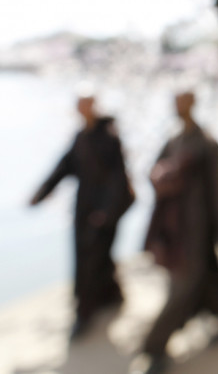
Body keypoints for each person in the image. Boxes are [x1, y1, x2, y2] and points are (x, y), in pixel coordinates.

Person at [138, 91, 218, 374]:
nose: (178, 108)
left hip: (199, 229)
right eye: (175, 103)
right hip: (177, 229)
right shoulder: (173, 142)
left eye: (183, 103)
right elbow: (153, 176)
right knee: (202, 279)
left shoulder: (206, 144)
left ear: (192, 105)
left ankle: (154, 345)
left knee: (183, 286)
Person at [30, 94, 135, 339]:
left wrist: (107, 211)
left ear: (94, 107)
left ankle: (84, 314)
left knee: (90, 261)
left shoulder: (108, 136)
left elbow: (119, 178)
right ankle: (112, 295)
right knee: (94, 257)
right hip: (84, 208)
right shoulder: (82, 137)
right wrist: (41, 193)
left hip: (103, 211)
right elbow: (64, 166)